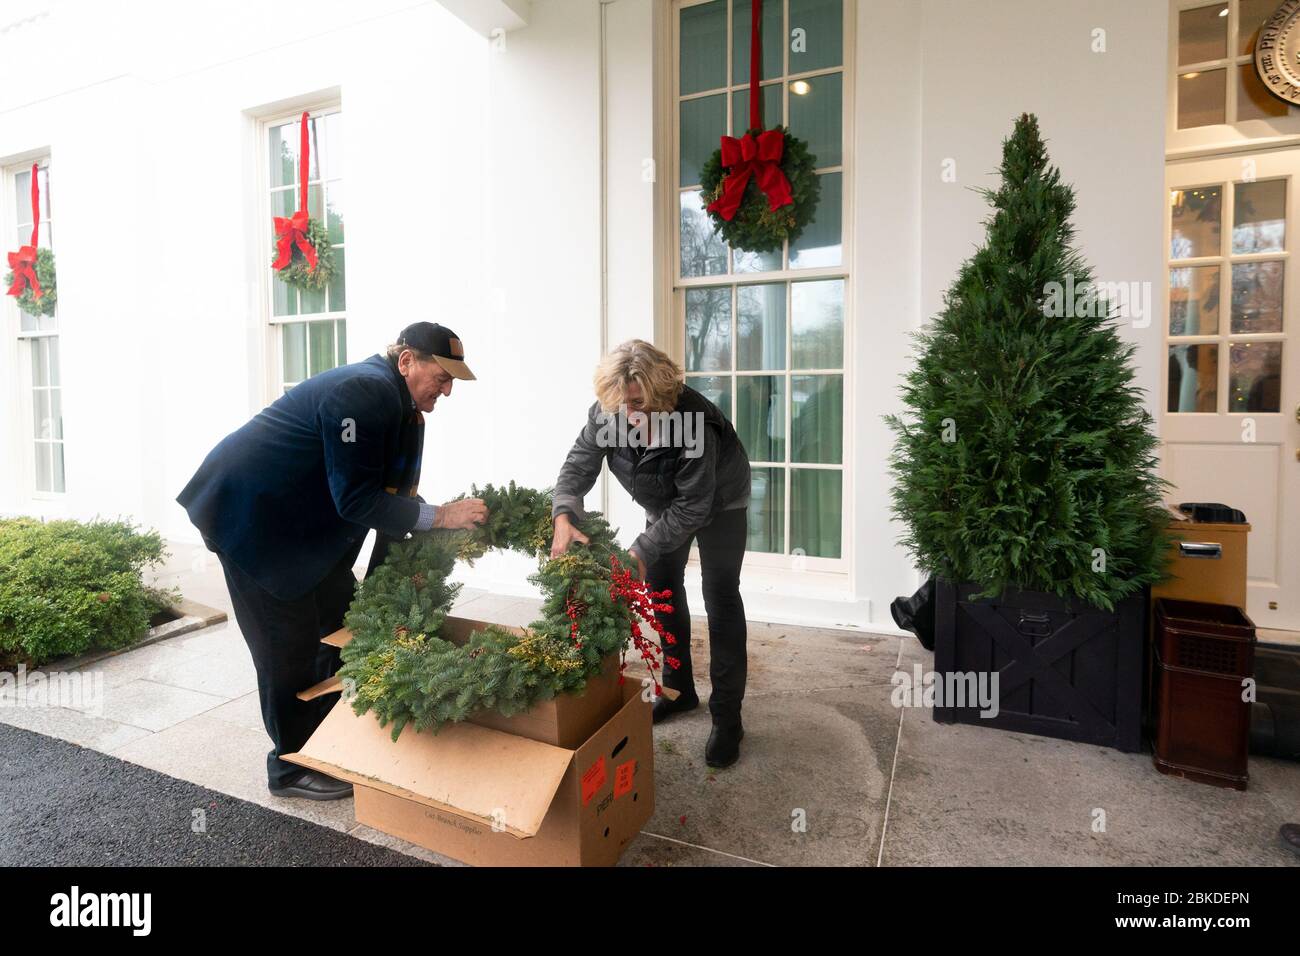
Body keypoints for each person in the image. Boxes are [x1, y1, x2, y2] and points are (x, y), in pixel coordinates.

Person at [177, 322, 488, 800]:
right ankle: (290, 765)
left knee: (344, 620)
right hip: (250, 518)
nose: (447, 390)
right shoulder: (362, 394)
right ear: (406, 361)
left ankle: (327, 738)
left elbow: (390, 492)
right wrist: (441, 515)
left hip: (297, 524)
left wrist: (425, 528)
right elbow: (357, 501)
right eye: (441, 376)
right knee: (286, 645)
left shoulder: (401, 407)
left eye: (453, 380)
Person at [550, 339, 752, 767]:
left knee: (720, 596)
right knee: (662, 591)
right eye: (623, 405)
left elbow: (694, 505)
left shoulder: (693, 422)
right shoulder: (609, 411)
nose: (630, 414)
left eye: (640, 404)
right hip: (664, 504)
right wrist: (564, 512)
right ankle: (678, 691)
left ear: (662, 395)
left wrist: (640, 549)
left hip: (721, 503)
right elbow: (579, 465)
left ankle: (728, 717)